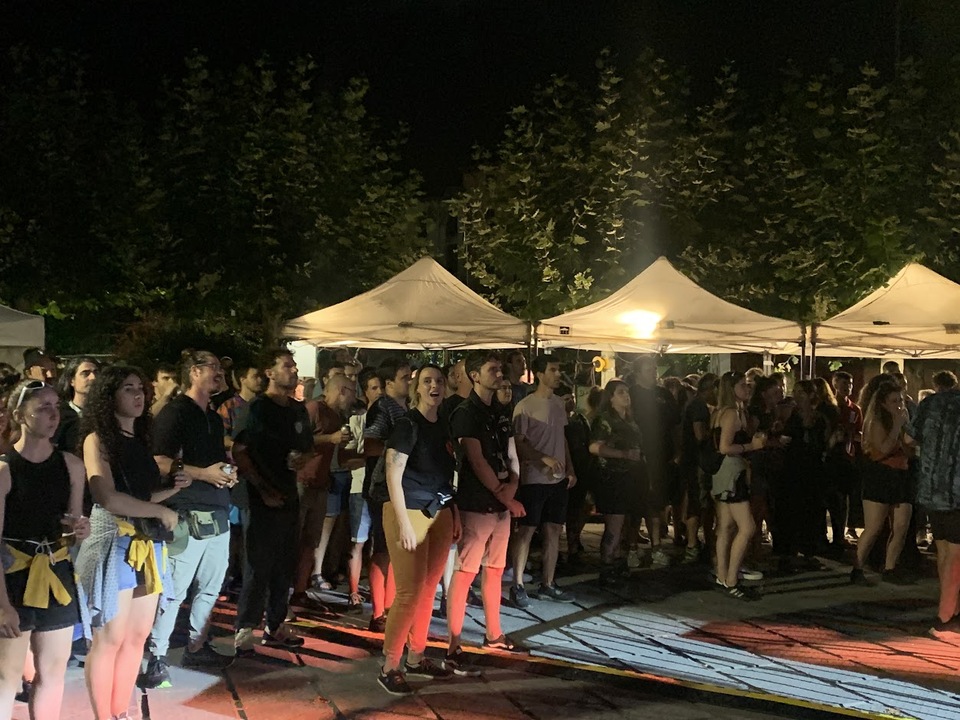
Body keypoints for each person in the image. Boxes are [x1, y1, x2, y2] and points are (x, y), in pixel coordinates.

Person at [74, 366, 185, 720]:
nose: (138, 395)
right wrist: (159, 510)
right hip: (114, 541)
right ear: (109, 396)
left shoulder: (139, 439)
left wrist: (171, 491)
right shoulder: (97, 440)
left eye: (141, 388)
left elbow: (140, 496)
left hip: (147, 542)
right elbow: (107, 497)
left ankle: (121, 711)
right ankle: (103, 716)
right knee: (109, 638)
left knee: (137, 636)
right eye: (128, 388)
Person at [140, 351, 236, 688]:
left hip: (217, 511)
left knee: (210, 587)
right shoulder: (177, 411)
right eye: (214, 367)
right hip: (186, 513)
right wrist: (204, 474)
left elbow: (210, 463)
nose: (220, 373)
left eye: (221, 368)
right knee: (174, 590)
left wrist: (224, 474)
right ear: (194, 372)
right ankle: (156, 656)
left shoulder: (212, 416)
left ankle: (196, 646)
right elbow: (159, 461)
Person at [0, 380, 90, 720]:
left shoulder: (71, 465)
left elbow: (72, 528)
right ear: (19, 415)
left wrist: (79, 531)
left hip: (55, 574)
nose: (54, 415)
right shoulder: (5, 469)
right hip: (13, 578)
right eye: (43, 408)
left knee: (53, 673)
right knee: (7, 676)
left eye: (56, 407)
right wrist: (3, 605)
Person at [377, 365, 459, 695]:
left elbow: (447, 475)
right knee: (409, 591)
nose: (434, 386)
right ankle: (389, 665)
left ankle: (416, 656)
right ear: (417, 389)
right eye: (427, 381)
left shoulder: (444, 425)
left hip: (439, 510)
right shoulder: (407, 425)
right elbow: (392, 474)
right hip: (408, 509)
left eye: (439, 381)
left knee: (428, 589)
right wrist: (403, 522)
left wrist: (454, 514)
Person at [444, 351, 526, 675]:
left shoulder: (500, 411)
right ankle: (453, 644)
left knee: (494, 569)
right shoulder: (466, 413)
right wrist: (506, 495)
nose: (499, 374)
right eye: (492, 369)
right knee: (465, 572)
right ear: (474, 375)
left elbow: (511, 452)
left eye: (500, 369)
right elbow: (476, 461)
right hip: (476, 503)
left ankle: (494, 633)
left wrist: (513, 486)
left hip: (500, 500)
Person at [232, 349, 313, 656]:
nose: (293, 371)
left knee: (284, 562)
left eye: (294, 366)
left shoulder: (297, 410)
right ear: (270, 373)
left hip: (289, 493)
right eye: (287, 366)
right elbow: (240, 451)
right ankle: (244, 627)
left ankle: (275, 624)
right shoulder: (256, 409)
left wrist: (301, 459)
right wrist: (262, 488)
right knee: (258, 564)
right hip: (259, 497)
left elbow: (307, 448)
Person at [509, 356, 576, 606]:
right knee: (527, 529)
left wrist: (570, 468)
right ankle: (517, 583)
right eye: (553, 369)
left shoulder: (558, 404)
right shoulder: (525, 406)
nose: (558, 374)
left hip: (557, 479)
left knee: (554, 529)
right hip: (534, 479)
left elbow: (562, 438)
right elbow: (519, 443)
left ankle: (548, 582)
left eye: (558, 369)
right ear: (539, 374)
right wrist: (541, 458)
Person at [293, 374, 357, 605]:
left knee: (311, 541)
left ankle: (300, 591)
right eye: (352, 392)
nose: (354, 398)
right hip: (302, 482)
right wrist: (331, 438)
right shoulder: (314, 409)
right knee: (294, 538)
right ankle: (283, 593)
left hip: (321, 483)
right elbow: (298, 440)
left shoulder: (337, 416)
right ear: (342, 390)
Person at [905, 381, 960, 637]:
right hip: (957, 489)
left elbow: (908, 437)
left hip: (931, 487)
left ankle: (951, 608)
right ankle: (944, 616)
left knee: (944, 550)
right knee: (956, 555)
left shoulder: (931, 402)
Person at [362, 357, 412, 633]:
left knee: (396, 550)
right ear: (389, 382)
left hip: (403, 487)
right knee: (383, 549)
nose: (410, 382)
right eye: (405, 377)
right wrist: (395, 452)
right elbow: (371, 445)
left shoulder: (408, 407)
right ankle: (378, 611)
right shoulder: (382, 407)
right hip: (382, 488)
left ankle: (392, 607)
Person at [850, 380, 914, 585]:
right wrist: (896, 425)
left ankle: (890, 567)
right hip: (880, 475)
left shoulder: (902, 420)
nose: (899, 405)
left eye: (901, 400)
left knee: (901, 525)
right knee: (874, 527)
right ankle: (857, 567)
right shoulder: (876, 422)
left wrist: (907, 435)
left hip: (901, 475)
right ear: (883, 404)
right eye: (894, 401)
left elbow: (910, 450)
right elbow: (883, 449)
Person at [711, 371, 764, 600]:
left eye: (748, 384)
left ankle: (722, 575)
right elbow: (725, 447)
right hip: (732, 473)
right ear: (731, 388)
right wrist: (752, 446)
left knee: (725, 527)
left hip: (724, 473)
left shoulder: (722, 412)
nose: (748, 388)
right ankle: (732, 579)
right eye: (743, 385)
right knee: (747, 527)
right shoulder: (731, 413)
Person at [589, 380, 644, 586]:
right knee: (614, 523)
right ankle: (607, 564)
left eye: (627, 392)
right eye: (621, 392)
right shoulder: (605, 420)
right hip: (612, 477)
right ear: (610, 398)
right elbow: (594, 447)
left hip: (630, 476)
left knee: (626, 522)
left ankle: (619, 561)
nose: (626, 395)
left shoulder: (629, 419)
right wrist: (623, 454)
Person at [629, 356, 681, 568]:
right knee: (636, 504)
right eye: (648, 369)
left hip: (662, 456)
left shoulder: (664, 394)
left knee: (657, 502)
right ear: (638, 372)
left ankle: (656, 547)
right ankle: (632, 548)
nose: (653, 372)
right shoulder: (631, 394)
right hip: (638, 456)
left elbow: (676, 424)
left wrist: (677, 450)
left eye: (654, 369)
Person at [344, 368, 383, 613]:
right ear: (365, 392)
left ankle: (379, 592)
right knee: (358, 542)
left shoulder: (394, 422)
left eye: (381, 387)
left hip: (383, 490)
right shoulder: (356, 421)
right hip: (360, 487)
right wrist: (370, 458)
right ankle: (354, 591)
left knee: (380, 545)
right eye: (373, 388)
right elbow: (346, 459)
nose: (379, 392)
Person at [679, 373, 718, 564]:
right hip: (696, 461)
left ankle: (695, 543)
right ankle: (692, 544)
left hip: (693, 460)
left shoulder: (695, 404)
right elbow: (700, 434)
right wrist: (717, 430)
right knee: (696, 501)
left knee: (698, 501)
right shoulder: (699, 407)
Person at [562, 383, 596, 567]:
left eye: (572, 398)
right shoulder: (558, 420)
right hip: (567, 468)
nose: (570, 402)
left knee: (582, 507)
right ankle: (571, 545)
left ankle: (575, 539)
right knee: (570, 510)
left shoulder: (581, 419)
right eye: (566, 399)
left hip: (583, 467)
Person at [53, 357, 99, 454]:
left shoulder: (106, 412)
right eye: (85, 373)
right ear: (71, 380)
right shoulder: (59, 415)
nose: (93, 378)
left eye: (96, 373)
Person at [216, 363, 263, 452]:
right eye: (255, 377)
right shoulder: (228, 407)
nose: (260, 380)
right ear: (243, 380)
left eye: (260, 376)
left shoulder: (263, 404)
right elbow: (221, 437)